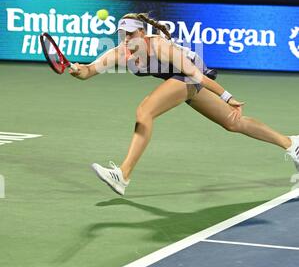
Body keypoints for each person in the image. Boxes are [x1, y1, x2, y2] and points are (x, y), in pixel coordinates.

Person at [69, 13, 299, 196]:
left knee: (145, 110)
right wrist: (78, 70)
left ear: (142, 32)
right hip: (178, 82)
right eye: (123, 35)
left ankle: (123, 174)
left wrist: (227, 96)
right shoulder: (121, 53)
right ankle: (291, 144)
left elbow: (194, 74)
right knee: (233, 123)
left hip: (191, 74)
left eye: (131, 34)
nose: (127, 39)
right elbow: (89, 71)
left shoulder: (159, 46)